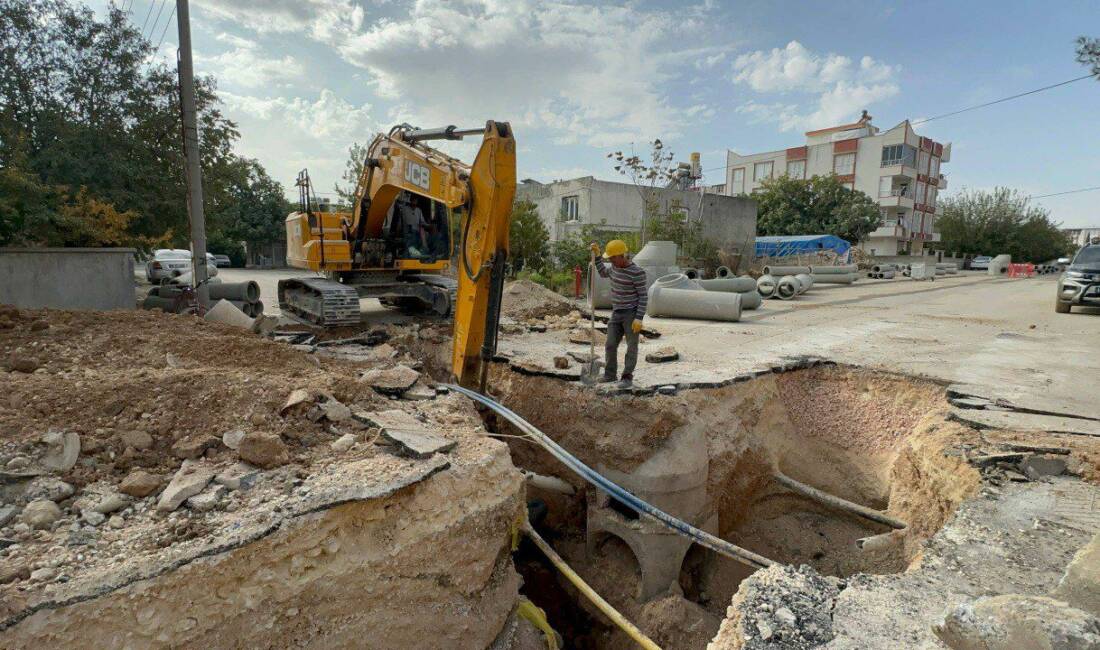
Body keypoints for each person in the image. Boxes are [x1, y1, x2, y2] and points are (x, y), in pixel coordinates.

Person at [590, 239, 647, 388]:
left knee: (631, 346)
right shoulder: (614, 268)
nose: (610, 261)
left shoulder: (637, 272)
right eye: (609, 259)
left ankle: (627, 377)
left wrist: (639, 318)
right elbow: (603, 272)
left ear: (621, 256)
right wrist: (597, 256)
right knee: (610, 344)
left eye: (612, 258)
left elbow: (643, 296)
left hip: (631, 314)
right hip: (616, 313)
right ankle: (610, 375)